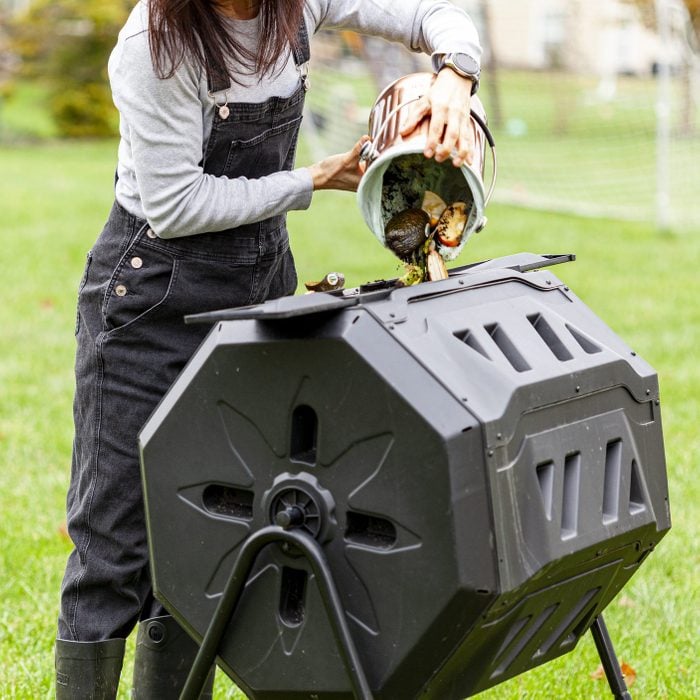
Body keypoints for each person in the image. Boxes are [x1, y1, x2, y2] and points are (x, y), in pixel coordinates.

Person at [55, 0, 482, 697]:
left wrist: (454, 78)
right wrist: (312, 178)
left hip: (256, 293)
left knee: (208, 532)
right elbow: (175, 204)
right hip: (150, 303)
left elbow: (434, 12)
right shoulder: (152, 44)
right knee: (116, 545)